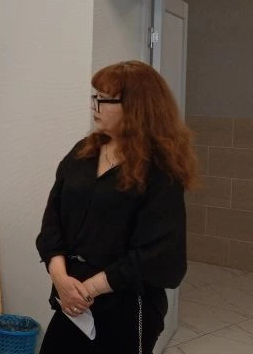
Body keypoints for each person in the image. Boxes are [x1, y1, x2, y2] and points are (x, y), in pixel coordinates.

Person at [35, 60, 198, 353]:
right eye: (94, 97)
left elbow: (157, 252)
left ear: (135, 107)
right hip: (71, 298)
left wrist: (88, 290)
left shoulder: (160, 171)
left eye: (103, 99)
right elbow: (52, 219)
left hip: (125, 305)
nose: (93, 105)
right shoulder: (83, 153)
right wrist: (60, 278)